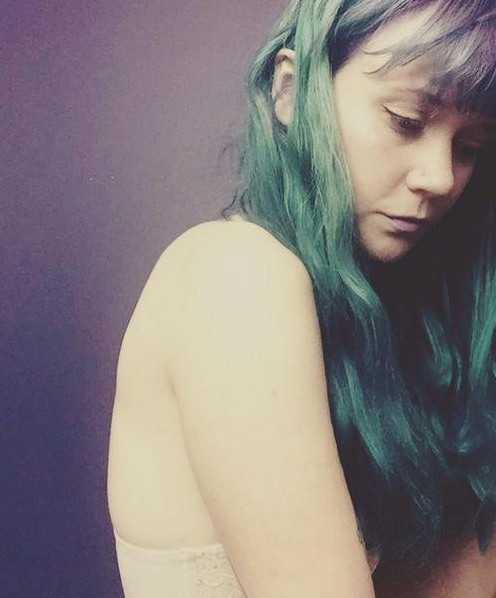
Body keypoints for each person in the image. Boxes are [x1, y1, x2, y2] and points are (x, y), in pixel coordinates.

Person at [107, 0, 496, 596]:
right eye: (406, 121)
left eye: (468, 146)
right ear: (290, 91)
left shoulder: (381, 321)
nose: (440, 178)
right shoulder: (236, 271)